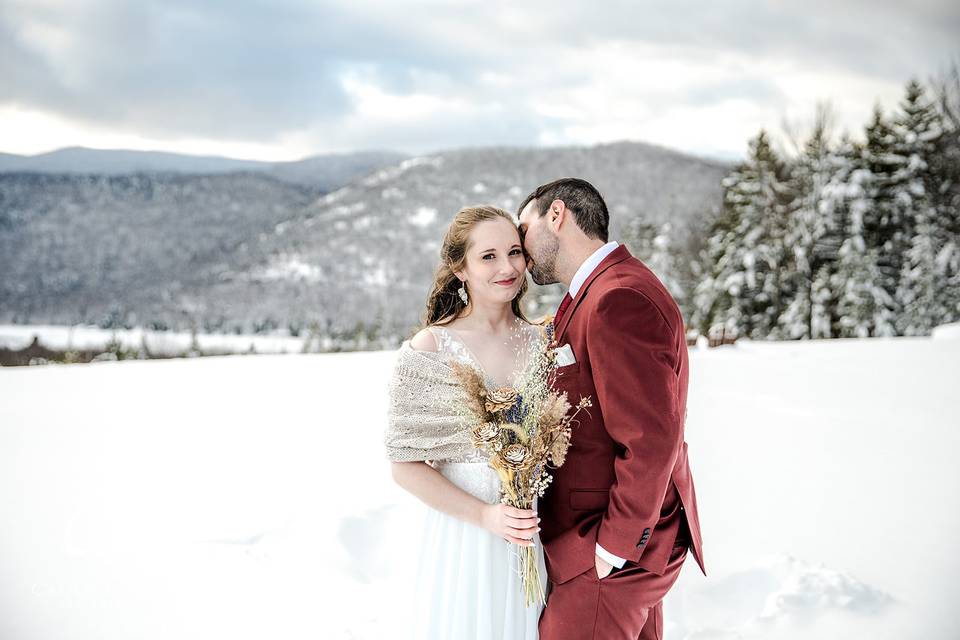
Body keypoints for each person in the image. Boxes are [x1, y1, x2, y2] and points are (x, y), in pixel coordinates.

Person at [517, 178, 707, 640]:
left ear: (556, 215)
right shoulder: (589, 294)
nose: (519, 251)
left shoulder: (617, 297)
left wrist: (613, 550)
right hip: (600, 541)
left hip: (611, 545)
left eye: (523, 230)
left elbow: (651, 439)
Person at [385, 204, 548, 639]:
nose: (508, 267)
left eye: (514, 252)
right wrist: (486, 517)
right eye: (488, 256)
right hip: (464, 541)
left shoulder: (544, 342)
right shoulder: (431, 348)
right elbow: (404, 466)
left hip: (534, 535)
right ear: (460, 269)